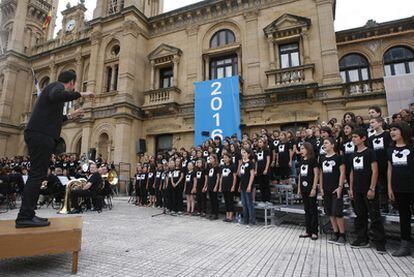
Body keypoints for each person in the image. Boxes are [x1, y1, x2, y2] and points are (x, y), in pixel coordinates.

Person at [15, 70, 94, 228]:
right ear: (71, 82)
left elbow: (56, 119)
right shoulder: (55, 87)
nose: (73, 87)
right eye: (74, 85)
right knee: (36, 175)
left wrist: (71, 116)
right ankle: (25, 216)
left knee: (37, 175)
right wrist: (82, 94)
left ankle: (27, 214)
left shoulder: (54, 93)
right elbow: (56, 95)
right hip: (40, 135)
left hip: (40, 134)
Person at [349, 128, 386, 254]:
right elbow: (352, 172)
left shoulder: (370, 152)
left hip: (368, 189)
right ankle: (362, 239)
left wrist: (372, 188)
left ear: (363, 138)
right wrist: (351, 188)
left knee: (374, 216)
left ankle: (380, 242)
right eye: (352, 137)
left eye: (355, 136)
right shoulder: (354, 154)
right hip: (357, 189)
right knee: (360, 215)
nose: (353, 139)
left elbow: (375, 171)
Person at [387, 121, 414, 257]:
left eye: (395, 129)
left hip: (412, 188)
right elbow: (390, 169)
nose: (392, 132)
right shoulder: (390, 150)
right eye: (391, 130)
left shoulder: (412, 147)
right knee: (404, 217)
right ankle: (405, 245)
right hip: (398, 188)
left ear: (403, 131)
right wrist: (390, 188)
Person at [319, 137, 346, 245]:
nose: (324, 145)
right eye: (323, 143)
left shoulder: (339, 157)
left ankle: (342, 235)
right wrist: (321, 187)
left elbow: (342, 173)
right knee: (329, 212)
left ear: (333, 145)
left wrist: (340, 186)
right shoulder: (321, 158)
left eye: (326, 143)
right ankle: (335, 233)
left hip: (336, 189)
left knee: (337, 212)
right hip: (326, 189)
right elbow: (321, 173)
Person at [297, 142, 319, 240]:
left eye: (302, 148)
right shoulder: (302, 160)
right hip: (303, 188)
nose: (301, 150)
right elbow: (300, 176)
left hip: (311, 188)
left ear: (308, 149)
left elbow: (316, 175)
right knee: (306, 210)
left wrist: (314, 188)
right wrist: (298, 188)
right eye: (300, 149)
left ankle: (314, 232)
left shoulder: (313, 160)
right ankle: (308, 231)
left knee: (312, 210)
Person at [219, 153, 237, 222]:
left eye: (226, 157)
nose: (225, 159)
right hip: (224, 186)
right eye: (224, 158)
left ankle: (230, 216)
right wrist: (220, 186)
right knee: (226, 201)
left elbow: (234, 177)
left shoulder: (232, 166)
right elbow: (221, 177)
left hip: (230, 186)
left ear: (229, 158)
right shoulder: (222, 166)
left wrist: (233, 186)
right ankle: (227, 216)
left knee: (230, 201)